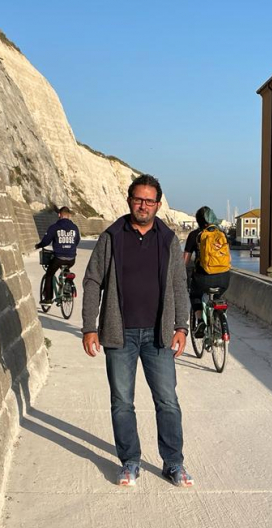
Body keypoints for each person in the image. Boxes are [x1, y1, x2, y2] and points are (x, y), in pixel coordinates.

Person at [81, 174, 193, 488]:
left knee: (167, 402)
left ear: (158, 205)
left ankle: (174, 463)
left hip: (158, 336)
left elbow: (178, 287)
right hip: (120, 335)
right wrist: (90, 327)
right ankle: (129, 462)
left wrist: (181, 326)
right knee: (121, 402)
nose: (143, 205)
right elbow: (92, 282)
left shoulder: (168, 239)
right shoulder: (112, 236)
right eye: (137, 199)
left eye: (149, 201)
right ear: (129, 200)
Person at [183, 206, 231, 338]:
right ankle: (218, 319)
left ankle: (200, 321)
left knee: (195, 295)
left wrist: (181, 274)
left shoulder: (195, 235)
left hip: (203, 278)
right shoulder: (222, 234)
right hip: (224, 278)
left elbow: (185, 261)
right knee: (217, 295)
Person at [35, 206, 80, 304]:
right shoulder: (75, 227)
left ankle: (48, 299)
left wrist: (39, 245)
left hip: (58, 258)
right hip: (72, 258)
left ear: (59, 215)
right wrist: (70, 248)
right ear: (69, 216)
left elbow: (46, 241)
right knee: (66, 269)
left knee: (49, 274)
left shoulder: (54, 227)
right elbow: (77, 241)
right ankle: (66, 287)